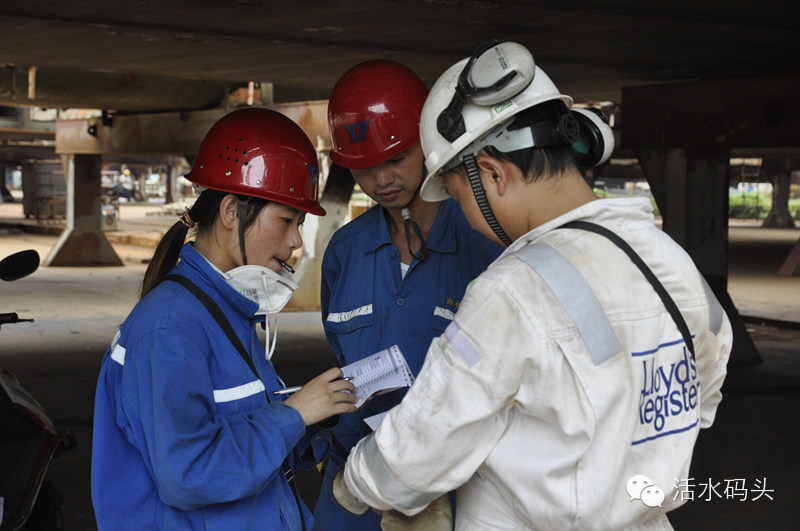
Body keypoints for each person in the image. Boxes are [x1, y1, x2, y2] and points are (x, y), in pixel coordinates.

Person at [334, 41, 733, 530]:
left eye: (458, 196)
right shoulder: (672, 261)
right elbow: (703, 394)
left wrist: (353, 484)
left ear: (493, 174)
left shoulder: (512, 290)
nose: (463, 215)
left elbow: (416, 452)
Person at [91, 108, 358, 530]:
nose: (295, 243)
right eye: (287, 221)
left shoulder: (224, 311)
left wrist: (309, 417)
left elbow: (239, 435)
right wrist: (292, 416)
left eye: (300, 224)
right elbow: (189, 473)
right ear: (232, 211)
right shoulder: (169, 330)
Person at [312, 60, 502, 529]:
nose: (381, 181)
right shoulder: (345, 252)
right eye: (365, 167)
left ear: (427, 142)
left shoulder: (483, 243)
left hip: (459, 482)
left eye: (395, 159)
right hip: (354, 476)